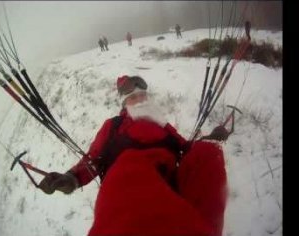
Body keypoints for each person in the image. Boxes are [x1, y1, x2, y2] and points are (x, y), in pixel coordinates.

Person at [39, 75, 229, 236]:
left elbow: (185, 149)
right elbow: (93, 159)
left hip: (168, 183)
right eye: (133, 97)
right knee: (131, 164)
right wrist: (72, 178)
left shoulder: (161, 124)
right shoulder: (113, 126)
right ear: (124, 102)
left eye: (142, 96)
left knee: (208, 153)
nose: (140, 100)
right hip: (125, 180)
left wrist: (209, 140)